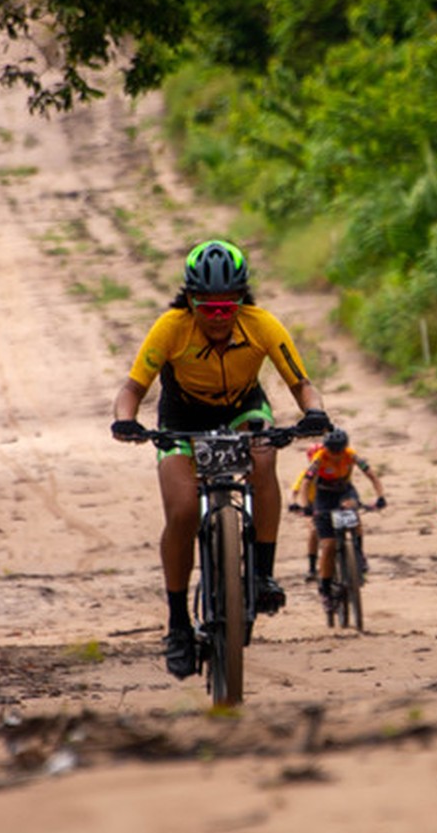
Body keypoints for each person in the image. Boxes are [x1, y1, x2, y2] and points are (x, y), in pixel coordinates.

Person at [111, 239, 331, 678]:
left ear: (241, 300)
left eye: (226, 306)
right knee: (184, 510)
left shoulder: (262, 324)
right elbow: (132, 389)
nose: (217, 316)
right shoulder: (171, 327)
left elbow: (301, 384)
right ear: (190, 299)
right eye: (206, 307)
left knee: (264, 456)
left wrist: (315, 412)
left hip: (242, 408)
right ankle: (178, 625)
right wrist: (126, 421)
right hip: (181, 415)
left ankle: (263, 575)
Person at [300, 428, 386, 613]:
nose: (337, 456)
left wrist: (380, 496)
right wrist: (307, 507)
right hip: (324, 496)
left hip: (345, 490)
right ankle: (324, 589)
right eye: (333, 452)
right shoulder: (320, 458)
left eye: (340, 451)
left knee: (354, 514)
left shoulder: (351, 455)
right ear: (327, 449)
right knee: (329, 545)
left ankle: (359, 553)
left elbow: (372, 475)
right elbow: (306, 482)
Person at [288, 442, 322, 582]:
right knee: (313, 531)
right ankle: (312, 567)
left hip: (330, 501)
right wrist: (292, 503)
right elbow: (294, 490)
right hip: (312, 505)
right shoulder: (306, 474)